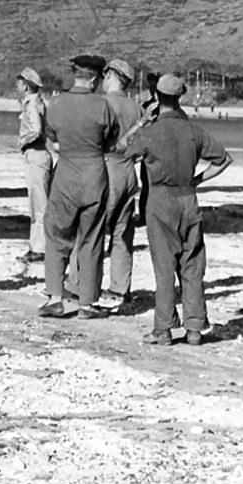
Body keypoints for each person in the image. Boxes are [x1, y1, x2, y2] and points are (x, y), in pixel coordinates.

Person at [118, 73, 231, 345]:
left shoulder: (151, 131)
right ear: (180, 97)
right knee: (192, 264)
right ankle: (194, 327)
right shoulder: (194, 131)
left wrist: (142, 122)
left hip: (160, 199)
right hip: (189, 198)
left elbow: (122, 149)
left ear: (157, 97)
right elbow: (224, 160)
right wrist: (198, 180)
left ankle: (164, 328)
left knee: (164, 266)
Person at [40, 54, 119, 319]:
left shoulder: (56, 104)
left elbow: (51, 137)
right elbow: (111, 140)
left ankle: (55, 296)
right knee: (92, 239)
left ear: (76, 74)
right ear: (96, 78)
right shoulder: (103, 106)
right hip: (94, 174)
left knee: (57, 236)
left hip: (65, 173)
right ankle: (87, 302)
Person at [97, 58, 143, 310]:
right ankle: (120, 288)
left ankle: (85, 286)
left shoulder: (104, 104)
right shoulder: (135, 108)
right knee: (122, 234)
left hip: (107, 167)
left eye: (105, 76)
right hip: (129, 171)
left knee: (93, 230)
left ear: (112, 76)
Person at [16, 68, 51, 262]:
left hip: (36, 155)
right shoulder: (31, 102)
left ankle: (41, 248)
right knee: (35, 204)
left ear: (27, 85)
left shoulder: (32, 104)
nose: (17, 86)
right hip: (35, 156)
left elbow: (36, 129)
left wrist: (23, 140)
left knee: (40, 205)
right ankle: (36, 245)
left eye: (20, 83)